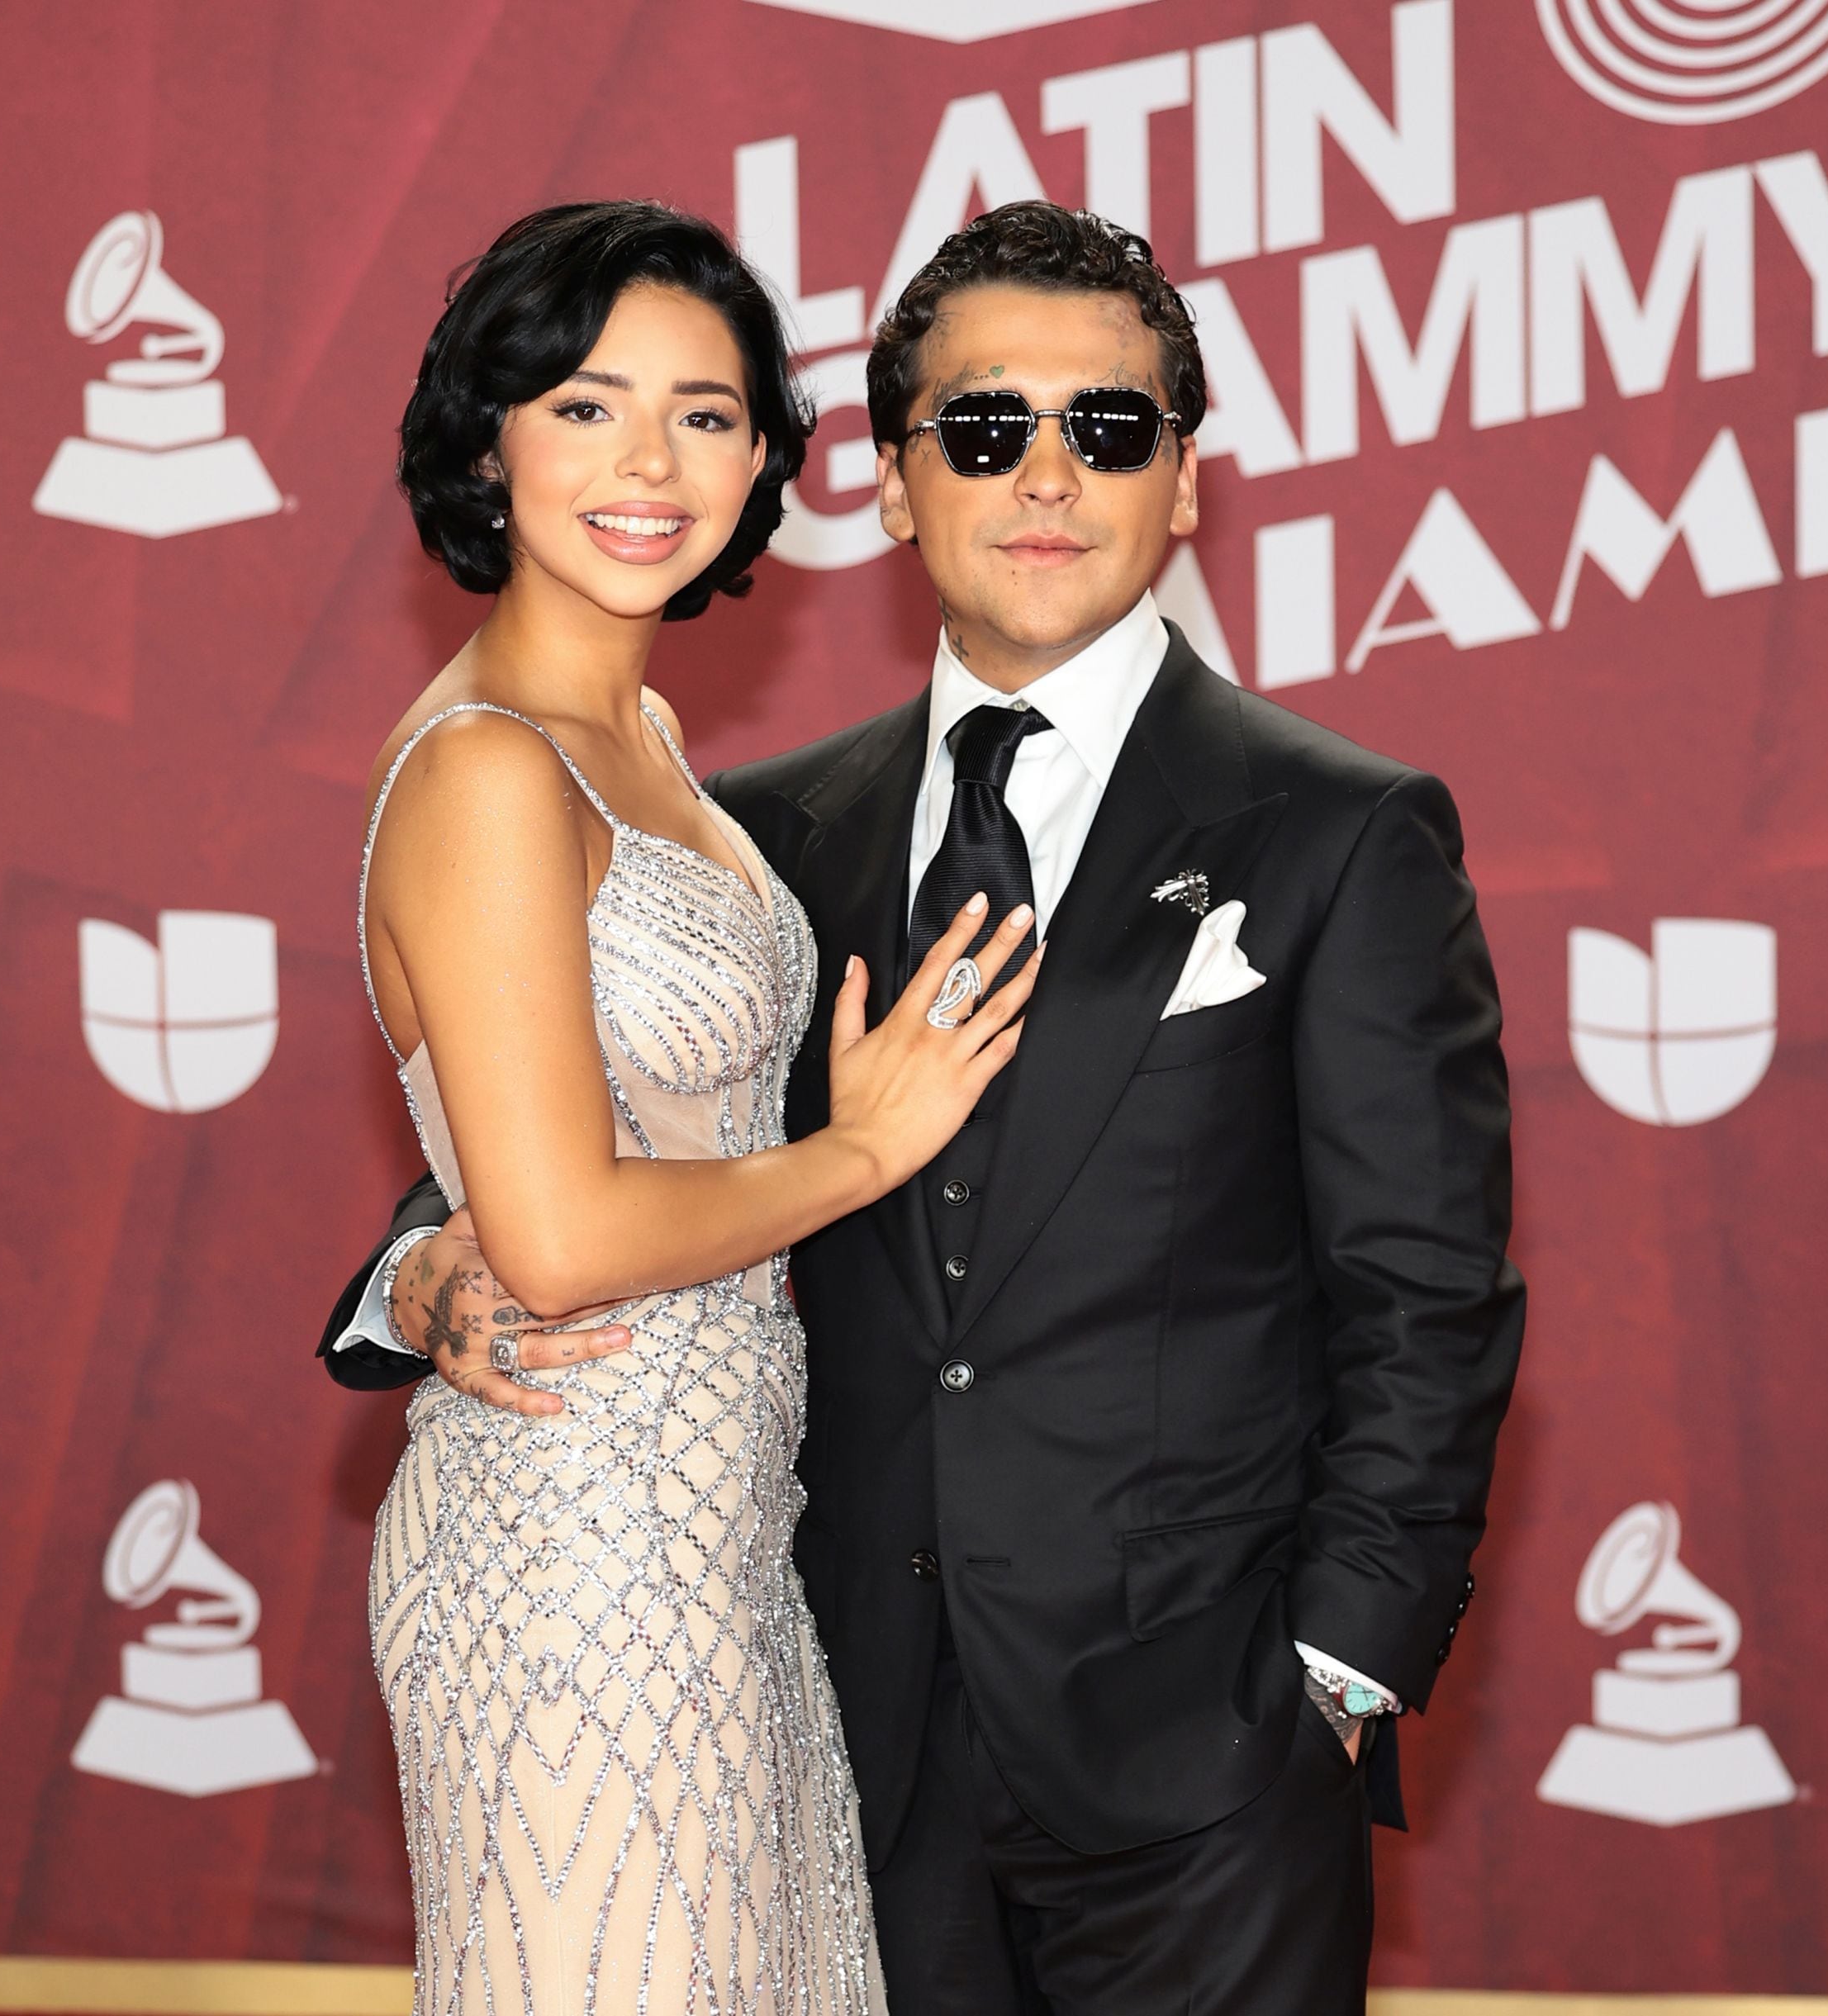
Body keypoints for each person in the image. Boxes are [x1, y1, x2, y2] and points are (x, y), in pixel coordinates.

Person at [325, 201, 1526, 2016]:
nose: (1045, 477)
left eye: (1108, 430)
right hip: (832, 1696)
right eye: (981, 431)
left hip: (1199, 1752)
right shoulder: (761, 831)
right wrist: (419, 1273)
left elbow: (1428, 1289)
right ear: (892, 486)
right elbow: (585, 1125)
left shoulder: (1342, 832)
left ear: (1184, 482)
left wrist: (1336, 1672)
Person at [344, 199, 1047, 2016]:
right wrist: (863, 1149)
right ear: (487, 440)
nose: (652, 461)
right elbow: (565, 1235)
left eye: (710, 413)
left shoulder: (642, 748)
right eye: (586, 405)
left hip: (717, 1549)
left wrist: (423, 1266)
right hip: (575, 1556)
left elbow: (570, 1145)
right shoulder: (492, 770)